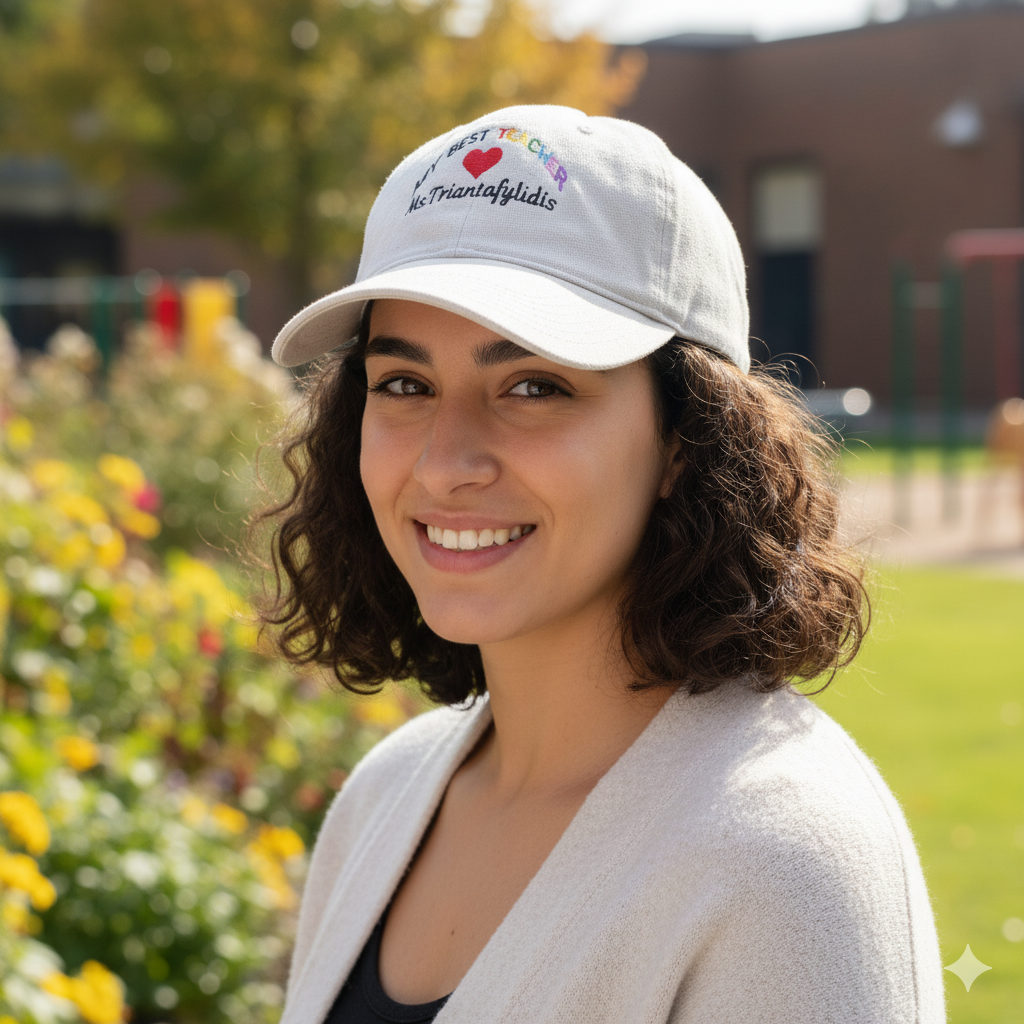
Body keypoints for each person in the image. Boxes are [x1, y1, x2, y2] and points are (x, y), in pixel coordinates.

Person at [257, 105, 947, 1023]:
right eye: (405, 385)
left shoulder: (782, 862)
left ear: (686, 440)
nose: (444, 462)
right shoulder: (383, 799)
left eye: (535, 387)